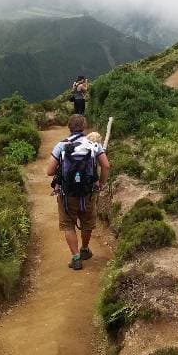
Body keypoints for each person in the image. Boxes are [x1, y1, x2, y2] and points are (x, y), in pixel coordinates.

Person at [47, 114, 110, 270]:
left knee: (68, 225)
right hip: (88, 193)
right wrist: (101, 183)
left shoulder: (61, 145)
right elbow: (106, 165)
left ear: (69, 127)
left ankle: (76, 258)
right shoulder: (93, 144)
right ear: (84, 127)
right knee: (87, 222)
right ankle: (84, 249)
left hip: (67, 195)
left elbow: (49, 172)